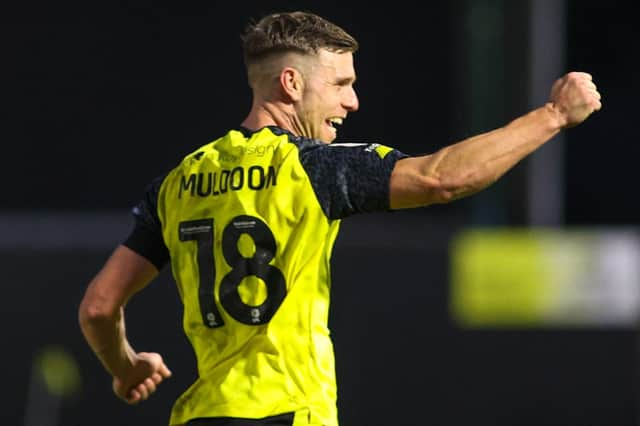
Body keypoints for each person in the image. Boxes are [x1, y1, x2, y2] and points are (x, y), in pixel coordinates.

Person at [77, 10, 602, 426]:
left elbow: (100, 307)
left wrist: (126, 368)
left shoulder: (177, 183)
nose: (353, 101)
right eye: (341, 83)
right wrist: (553, 116)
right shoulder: (310, 168)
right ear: (291, 83)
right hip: (288, 410)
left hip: (201, 415)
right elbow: (442, 178)